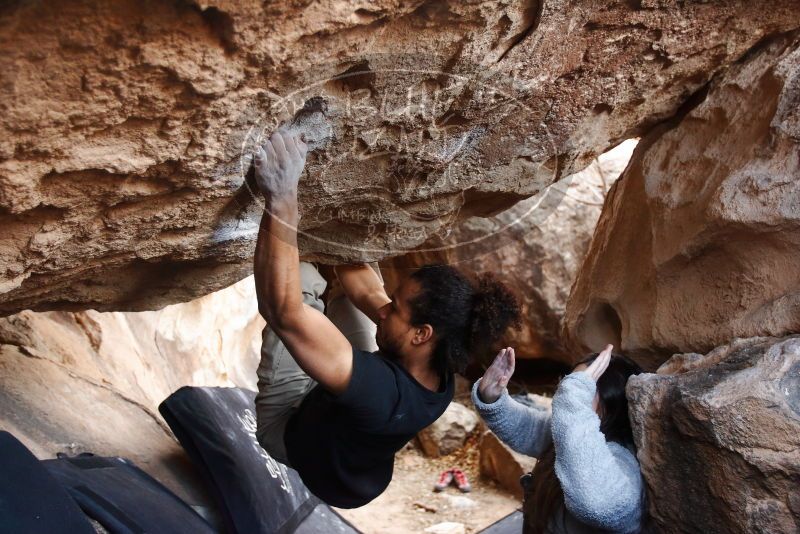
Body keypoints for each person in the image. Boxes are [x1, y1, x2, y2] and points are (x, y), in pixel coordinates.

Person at [251, 129, 521, 508]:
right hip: (350, 438)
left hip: (291, 427)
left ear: (421, 334)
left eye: (396, 308)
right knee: (349, 291)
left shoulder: (382, 393)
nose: (384, 307)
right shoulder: (439, 365)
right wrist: (338, 224)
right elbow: (367, 291)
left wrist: (284, 199)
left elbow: (284, 311)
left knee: (301, 277)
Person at [473, 344, 645, 533]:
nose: (565, 392)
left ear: (611, 400)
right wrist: (492, 397)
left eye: (583, 386)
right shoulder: (570, 433)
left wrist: (573, 397)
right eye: (568, 382)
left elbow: (600, 504)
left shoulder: (625, 462)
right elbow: (530, 428)